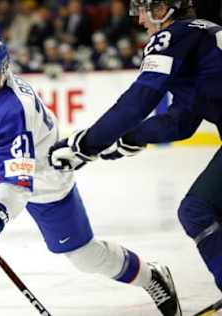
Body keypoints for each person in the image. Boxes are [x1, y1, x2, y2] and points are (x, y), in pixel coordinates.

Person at [0, 36, 182, 316]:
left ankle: (151, 276)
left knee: (84, 256)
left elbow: (16, 184)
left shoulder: (13, 109)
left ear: (3, 72)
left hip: (44, 175)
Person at [48, 0, 222, 301]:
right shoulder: (203, 32)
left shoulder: (173, 35)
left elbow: (138, 101)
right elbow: (182, 121)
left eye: (144, 9)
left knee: (197, 212)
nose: (140, 20)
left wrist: (86, 145)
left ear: (163, 8)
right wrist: (132, 138)